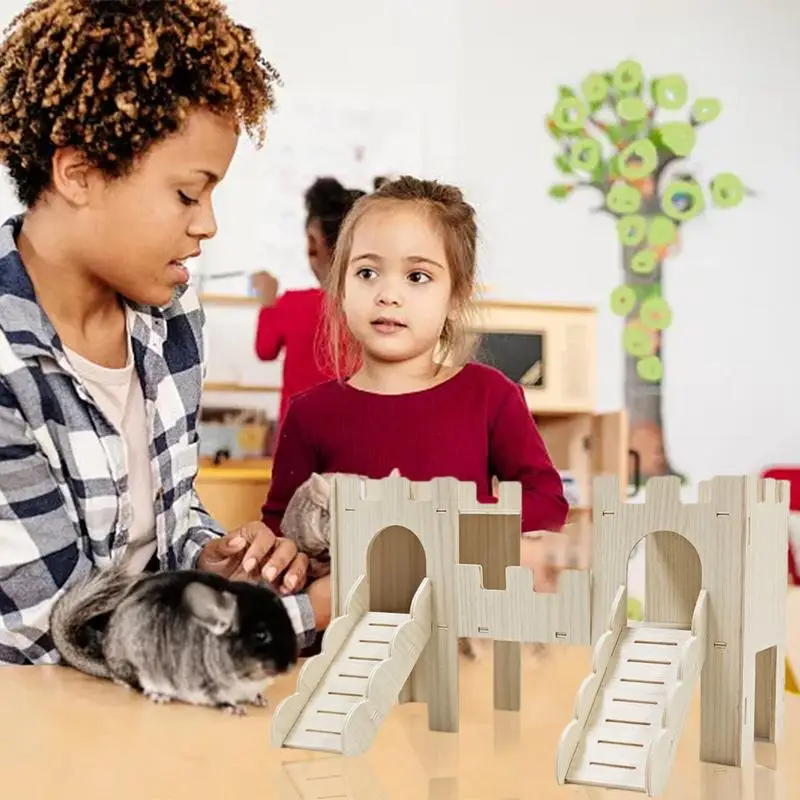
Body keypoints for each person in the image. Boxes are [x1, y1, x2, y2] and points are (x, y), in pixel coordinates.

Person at [0, 0, 321, 666]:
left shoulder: (169, 317)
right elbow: (60, 636)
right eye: (187, 193)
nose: (208, 225)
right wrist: (314, 607)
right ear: (78, 172)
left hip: (142, 720)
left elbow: (163, 527)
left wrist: (217, 562)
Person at [261, 175, 571, 632]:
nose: (388, 294)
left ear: (456, 296)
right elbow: (282, 529)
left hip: (460, 631)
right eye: (366, 273)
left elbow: (547, 502)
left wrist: (445, 524)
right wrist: (278, 555)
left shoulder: (492, 396)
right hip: (350, 637)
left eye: (417, 276)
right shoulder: (309, 413)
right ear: (340, 287)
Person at [251, 178, 365, 427]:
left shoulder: (292, 304)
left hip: (299, 439)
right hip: (360, 435)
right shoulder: (379, 306)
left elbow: (265, 349)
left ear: (313, 244)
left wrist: (268, 302)